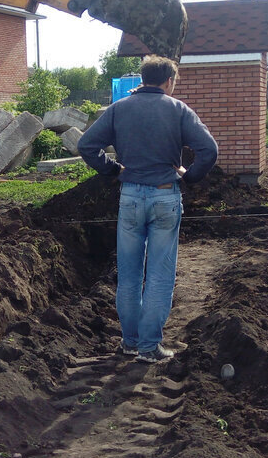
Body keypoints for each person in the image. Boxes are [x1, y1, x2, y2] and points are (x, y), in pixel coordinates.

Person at [78, 55, 218, 363]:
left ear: (143, 78)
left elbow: (87, 145)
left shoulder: (118, 109)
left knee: (128, 275)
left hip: (129, 197)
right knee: (159, 275)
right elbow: (209, 149)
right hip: (165, 197)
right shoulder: (179, 110)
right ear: (169, 81)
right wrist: (190, 176)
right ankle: (149, 346)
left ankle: (129, 342)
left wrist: (114, 170)